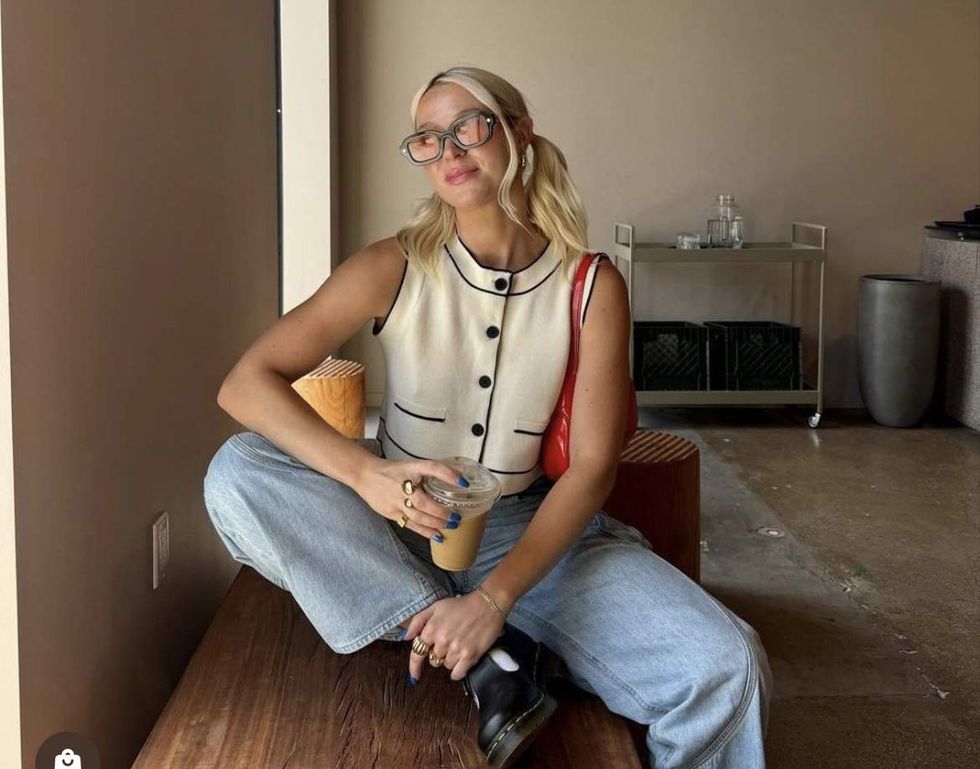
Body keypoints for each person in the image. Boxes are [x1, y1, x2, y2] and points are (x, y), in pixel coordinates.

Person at [203, 65, 772, 769]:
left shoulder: (591, 285)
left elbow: (593, 468)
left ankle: (482, 628)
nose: (449, 150)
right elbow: (245, 383)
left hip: (529, 536)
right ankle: (485, 658)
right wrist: (366, 475)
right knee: (238, 470)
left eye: (469, 126)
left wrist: (494, 598)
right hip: (395, 524)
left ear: (519, 133)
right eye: (427, 138)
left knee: (725, 665)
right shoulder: (392, 266)